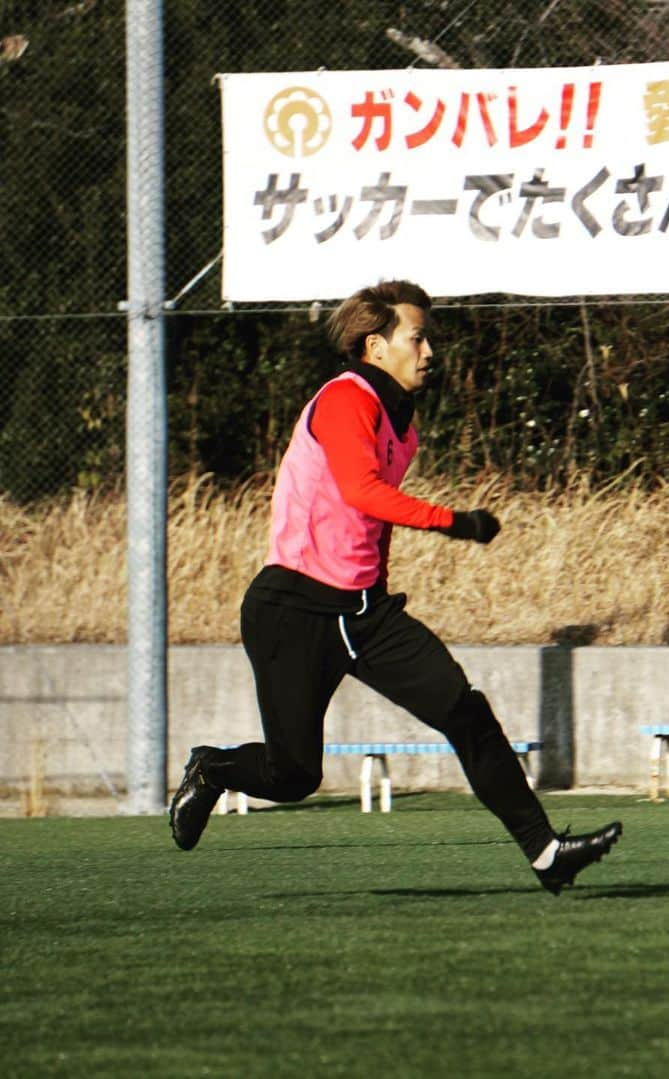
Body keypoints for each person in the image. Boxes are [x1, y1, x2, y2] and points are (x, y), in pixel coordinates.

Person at [168, 279, 621, 895]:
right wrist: (454, 521)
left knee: (465, 711)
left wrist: (377, 591)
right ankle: (213, 768)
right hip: (291, 610)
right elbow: (362, 492)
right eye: (418, 336)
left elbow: (367, 524)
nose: (429, 350)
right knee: (294, 774)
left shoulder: (401, 425)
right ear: (376, 345)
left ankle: (547, 853)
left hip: (363, 612)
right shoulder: (345, 399)